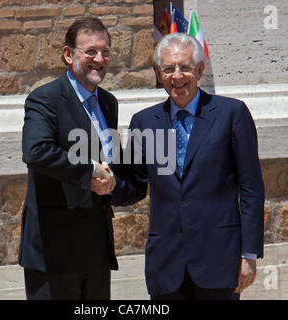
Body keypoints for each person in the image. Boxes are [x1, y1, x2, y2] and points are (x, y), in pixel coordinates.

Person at [111, 33, 265, 300]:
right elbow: (134, 185)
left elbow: (251, 188)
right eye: (168, 69)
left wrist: (248, 254)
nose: (177, 76)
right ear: (159, 73)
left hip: (219, 260)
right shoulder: (144, 122)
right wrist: (109, 184)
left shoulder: (231, 114)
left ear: (200, 70)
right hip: (166, 265)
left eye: (185, 67)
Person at [18, 17, 119, 300]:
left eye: (105, 51)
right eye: (90, 51)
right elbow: (36, 152)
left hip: (96, 249)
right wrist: (89, 173)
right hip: (54, 251)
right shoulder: (45, 99)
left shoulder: (109, 103)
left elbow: (109, 160)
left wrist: (113, 180)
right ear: (68, 54)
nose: (99, 58)